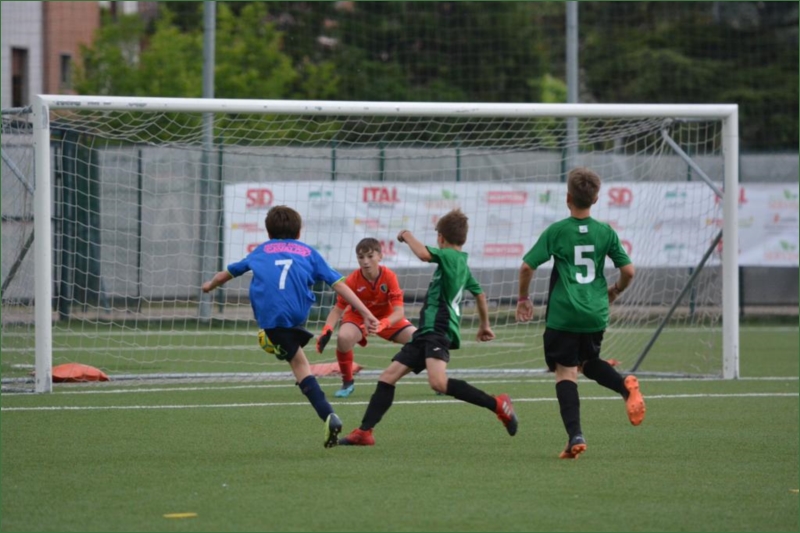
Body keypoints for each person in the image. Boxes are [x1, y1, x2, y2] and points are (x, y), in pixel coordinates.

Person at [201, 205, 379, 448]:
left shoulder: (260, 251)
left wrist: (209, 286)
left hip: (272, 319)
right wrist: (366, 312)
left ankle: (328, 415)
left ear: (268, 232)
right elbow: (339, 285)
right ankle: (279, 345)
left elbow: (226, 275)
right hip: (296, 316)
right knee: (293, 352)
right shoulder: (308, 252)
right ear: (298, 232)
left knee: (299, 365)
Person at [338, 209, 518, 446]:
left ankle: (498, 404)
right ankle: (364, 432)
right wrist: (484, 325)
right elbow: (480, 294)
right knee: (388, 377)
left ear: (441, 238)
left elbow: (423, 254)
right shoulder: (460, 265)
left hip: (438, 330)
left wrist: (406, 234)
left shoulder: (450, 256)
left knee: (438, 383)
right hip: (426, 332)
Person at [515, 167, 645, 460]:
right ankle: (624, 385)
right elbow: (628, 271)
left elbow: (526, 267)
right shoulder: (605, 232)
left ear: (568, 198)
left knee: (565, 372)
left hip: (564, 314)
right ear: (596, 199)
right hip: (595, 313)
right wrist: (615, 291)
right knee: (588, 363)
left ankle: (575, 435)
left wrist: (523, 298)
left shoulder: (558, 231)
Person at [316, 237, 416, 398]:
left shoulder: (389, 277)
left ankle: (437, 379)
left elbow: (399, 312)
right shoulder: (352, 280)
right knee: (343, 338)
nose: (365, 261)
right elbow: (338, 309)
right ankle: (347, 382)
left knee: (420, 340)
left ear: (380, 256)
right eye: (361, 257)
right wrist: (327, 329)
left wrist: (383, 323)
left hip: (386, 318)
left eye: (370, 256)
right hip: (357, 318)